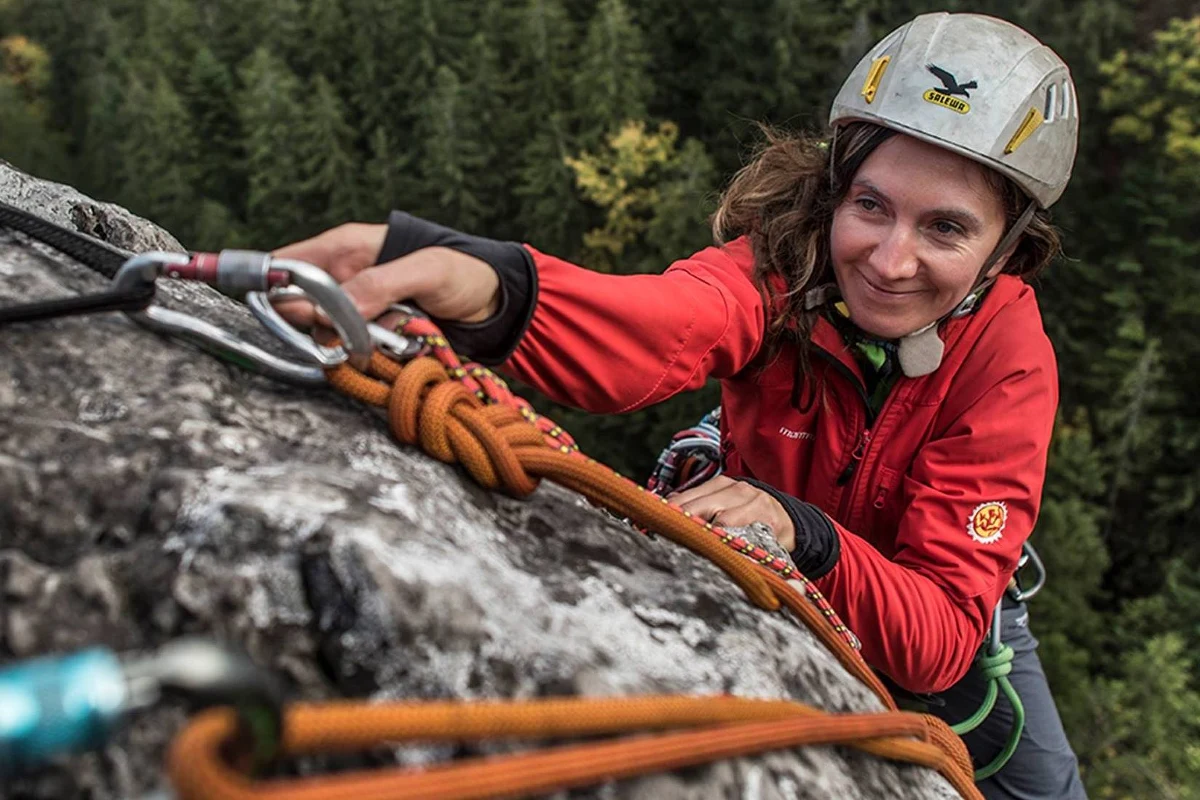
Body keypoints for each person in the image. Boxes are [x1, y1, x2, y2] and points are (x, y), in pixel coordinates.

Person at [274, 12, 1086, 798]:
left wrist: (803, 531)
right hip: (762, 537)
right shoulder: (785, 266)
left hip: (918, 595)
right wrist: (490, 284)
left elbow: (941, 636)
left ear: (1006, 249)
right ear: (836, 189)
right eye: (870, 204)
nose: (889, 258)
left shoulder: (1006, 361)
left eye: (945, 229)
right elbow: (662, 325)